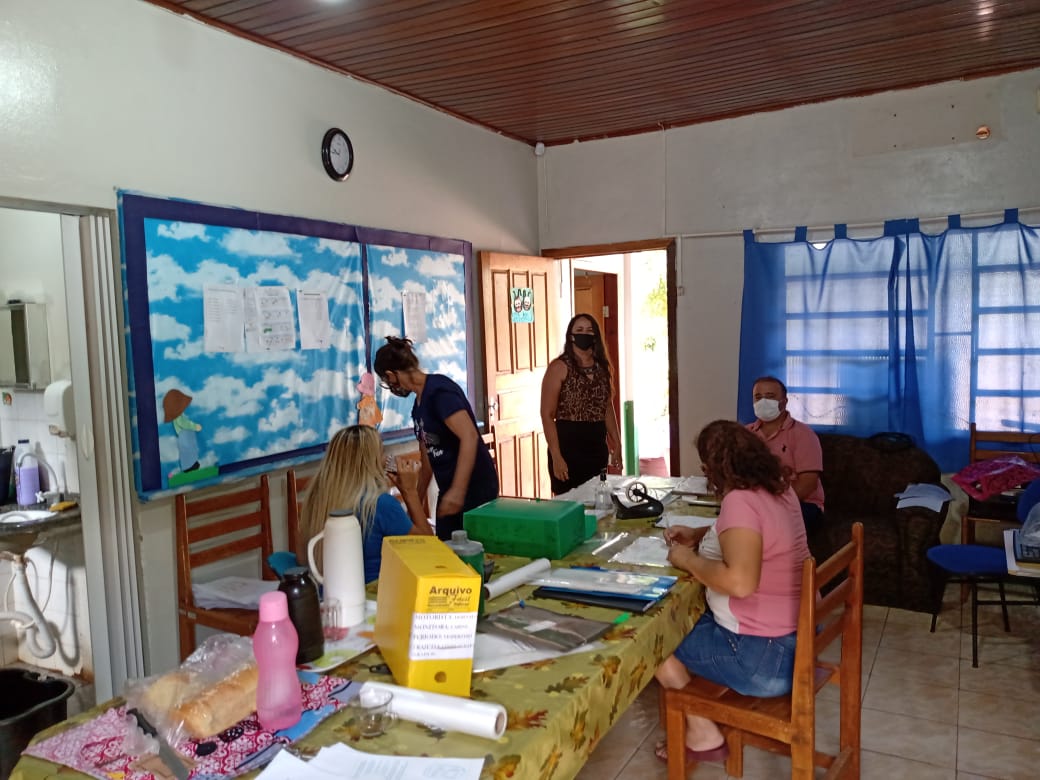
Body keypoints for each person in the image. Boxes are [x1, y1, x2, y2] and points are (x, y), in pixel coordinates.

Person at [654, 420, 810, 764]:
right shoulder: (779, 490)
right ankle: (703, 715)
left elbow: (740, 582)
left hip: (761, 660)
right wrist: (699, 532)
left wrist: (687, 559)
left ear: (711, 469)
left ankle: (703, 730)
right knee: (685, 619)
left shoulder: (739, 500)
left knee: (650, 637)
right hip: (798, 646)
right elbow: (753, 533)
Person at [373, 336, 498, 540]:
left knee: (476, 549)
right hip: (449, 488)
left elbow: (469, 436)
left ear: (391, 375)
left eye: (388, 381)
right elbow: (427, 461)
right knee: (445, 546)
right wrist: (415, 503)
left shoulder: (439, 392)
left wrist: (458, 490)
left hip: (475, 486)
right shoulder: (418, 406)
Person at [297, 425, 433, 583]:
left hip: (328, 597)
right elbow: (428, 550)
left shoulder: (316, 499)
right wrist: (410, 492)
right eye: (382, 452)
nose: (385, 458)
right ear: (371, 460)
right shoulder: (380, 504)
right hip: (373, 598)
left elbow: (301, 558)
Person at [540, 313, 623, 495]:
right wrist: (556, 456)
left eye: (589, 330)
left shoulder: (602, 368)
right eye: (579, 330)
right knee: (569, 504)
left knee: (597, 499)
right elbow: (547, 415)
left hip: (595, 448)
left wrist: (617, 442)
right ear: (571, 336)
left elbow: (606, 407)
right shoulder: (559, 367)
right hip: (568, 449)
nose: (584, 334)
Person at [745, 375, 825, 536]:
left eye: (770, 397)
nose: (763, 402)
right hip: (755, 503)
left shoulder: (803, 435)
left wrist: (772, 503)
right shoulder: (745, 434)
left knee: (765, 529)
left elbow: (808, 484)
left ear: (784, 402)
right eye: (758, 397)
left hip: (801, 504)